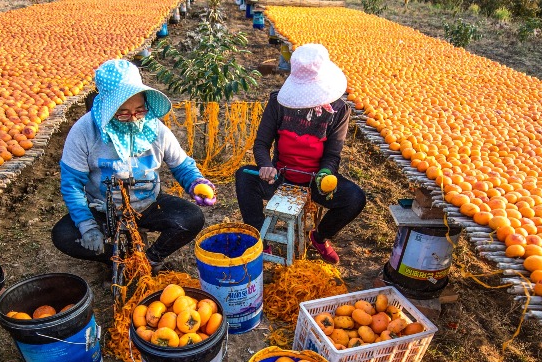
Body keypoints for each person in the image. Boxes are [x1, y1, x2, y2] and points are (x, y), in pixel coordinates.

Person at [53, 59, 215, 272]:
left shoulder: (155, 128)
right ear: (107, 109)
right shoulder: (85, 131)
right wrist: (88, 227)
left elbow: (181, 165)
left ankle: (150, 259)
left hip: (147, 203)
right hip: (104, 208)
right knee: (64, 235)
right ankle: (118, 258)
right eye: (122, 113)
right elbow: (72, 183)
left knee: (191, 218)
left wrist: (196, 182)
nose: (133, 119)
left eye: (139, 110)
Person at [235, 43, 366, 264]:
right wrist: (266, 165)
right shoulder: (278, 103)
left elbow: (332, 155)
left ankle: (319, 236)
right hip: (281, 176)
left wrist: (325, 174)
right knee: (243, 176)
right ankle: (259, 239)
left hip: (315, 182)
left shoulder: (339, 110)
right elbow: (261, 143)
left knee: (355, 198)